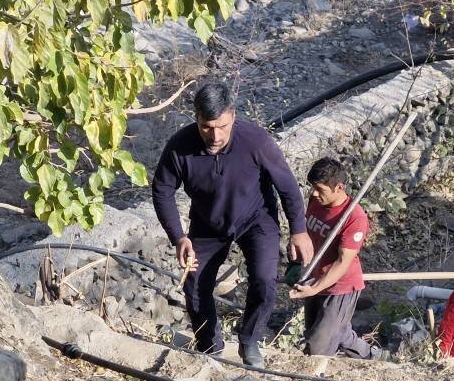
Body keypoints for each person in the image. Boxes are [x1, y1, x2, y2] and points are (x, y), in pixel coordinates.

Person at [151, 81, 313, 366]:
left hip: (256, 219)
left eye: (222, 126)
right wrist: (179, 237)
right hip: (207, 222)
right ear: (197, 118)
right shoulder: (180, 147)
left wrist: (298, 230)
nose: (215, 135)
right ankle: (209, 345)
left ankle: (250, 342)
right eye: (206, 127)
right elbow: (162, 190)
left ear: (233, 117)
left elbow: (287, 186)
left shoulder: (256, 141)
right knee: (195, 283)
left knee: (264, 280)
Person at [288, 157, 382, 360]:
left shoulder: (354, 218)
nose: (313, 193)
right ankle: (373, 356)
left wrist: (315, 288)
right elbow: (304, 235)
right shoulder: (315, 201)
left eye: (320, 189)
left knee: (318, 347)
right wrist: (295, 265)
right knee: (325, 332)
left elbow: (342, 262)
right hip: (315, 276)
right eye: (312, 187)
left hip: (340, 287)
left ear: (339, 187)